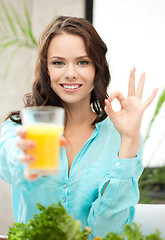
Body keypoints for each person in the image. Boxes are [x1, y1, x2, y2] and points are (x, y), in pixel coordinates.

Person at [0, 16, 157, 239]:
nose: (70, 72)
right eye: (58, 62)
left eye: (83, 62)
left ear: (97, 68)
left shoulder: (123, 138)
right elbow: (9, 160)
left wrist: (130, 140)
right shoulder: (20, 128)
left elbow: (106, 231)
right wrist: (25, 157)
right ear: (46, 69)